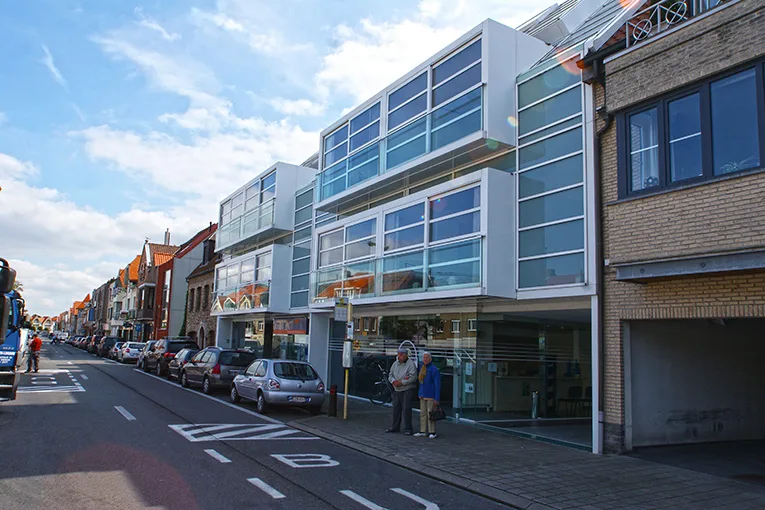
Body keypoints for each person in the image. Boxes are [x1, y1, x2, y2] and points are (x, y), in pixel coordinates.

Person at [386, 347, 418, 435]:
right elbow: (390, 374)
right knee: (396, 408)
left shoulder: (411, 364)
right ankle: (395, 426)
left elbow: (413, 377)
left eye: (401, 355)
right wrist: (393, 381)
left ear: (405, 355)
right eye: (398, 355)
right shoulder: (395, 364)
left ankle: (408, 428)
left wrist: (402, 382)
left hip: (407, 389)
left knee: (406, 409)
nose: (399, 357)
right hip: (396, 389)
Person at [415, 352, 441, 439]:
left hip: (431, 395)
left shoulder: (434, 370)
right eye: (424, 357)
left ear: (430, 359)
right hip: (422, 394)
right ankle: (422, 430)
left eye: (427, 357)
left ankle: (432, 431)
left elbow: (437, 385)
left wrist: (437, 398)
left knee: (431, 413)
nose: (425, 359)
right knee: (422, 413)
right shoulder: (422, 368)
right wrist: (420, 393)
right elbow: (421, 383)